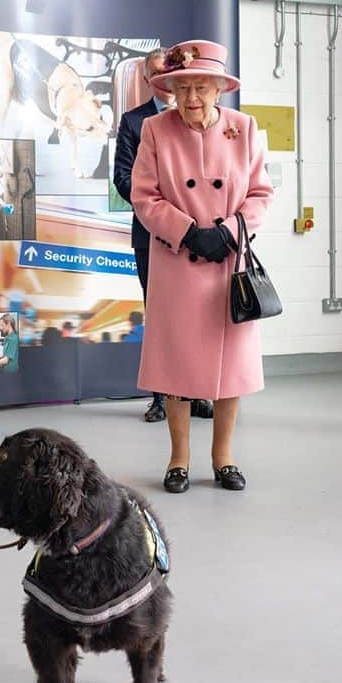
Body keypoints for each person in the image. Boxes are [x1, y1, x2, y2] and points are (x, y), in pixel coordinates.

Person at [130, 40, 273, 493]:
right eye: (182, 87)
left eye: (201, 87)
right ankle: (178, 460)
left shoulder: (245, 128)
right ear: (171, 89)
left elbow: (261, 194)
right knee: (176, 365)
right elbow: (143, 196)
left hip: (229, 265)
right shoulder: (155, 128)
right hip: (177, 262)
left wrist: (229, 232)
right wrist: (188, 232)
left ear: (219, 90)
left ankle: (224, 457)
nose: (191, 98)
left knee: (229, 366)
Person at [114, 50, 213, 423]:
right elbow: (123, 178)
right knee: (161, 319)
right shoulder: (134, 122)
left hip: (202, 237)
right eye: (159, 74)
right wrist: (163, 213)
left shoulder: (206, 121)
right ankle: (162, 397)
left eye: (173, 72)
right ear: (149, 79)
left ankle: (198, 393)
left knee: (200, 318)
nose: (169, 80)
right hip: (152, 236)